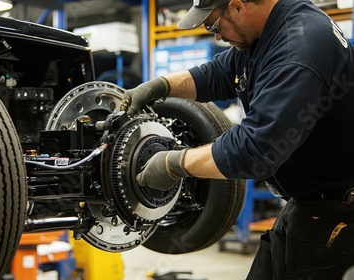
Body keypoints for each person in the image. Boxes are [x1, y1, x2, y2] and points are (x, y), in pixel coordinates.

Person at [120, 0, 354, 279]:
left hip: (339, 212)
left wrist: (174, 164)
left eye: (214, 25)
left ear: (238, 6)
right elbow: (217, 74)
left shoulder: (298, 49)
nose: (216, 36)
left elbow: (255, 150)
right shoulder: (267, 29)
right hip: (310, 202)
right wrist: (160, 86)